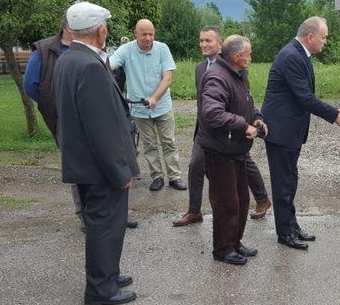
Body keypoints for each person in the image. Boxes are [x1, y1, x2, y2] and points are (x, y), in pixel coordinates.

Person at [52, 1, 139, 305]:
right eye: (106, 27)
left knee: (102, 225)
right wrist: (120, 171)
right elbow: (101, 127)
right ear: (100, 31)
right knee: (106, 226)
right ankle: (101, 289)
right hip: (100, 167)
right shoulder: (88, 65)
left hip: (84, 162)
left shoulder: (68, 58)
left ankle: (107, 274)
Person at [23, 12, 137, 232]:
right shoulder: (47, 50)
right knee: (84, 172)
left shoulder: (80, 54)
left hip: (79, 118)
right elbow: (31, 85)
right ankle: (86, 215)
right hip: (67, 121)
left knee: (93, 175)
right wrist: (57, 106)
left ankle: (103, 216)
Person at [262, 16, 340, 250]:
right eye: (323, 37)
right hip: (281, 132)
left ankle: (291, 226)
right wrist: (335, 115)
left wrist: (334, 111)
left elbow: (303, 96)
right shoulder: (292, 56)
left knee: (290, 181)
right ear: (310, 37)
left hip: (289, 131)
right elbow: (305, 97)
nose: (325, 42)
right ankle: (285, 233)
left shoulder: (300, 53)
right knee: (283, 184)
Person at [173, 27, 271, 227]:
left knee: (245, 164)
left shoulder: (236, 68)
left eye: (208, 41)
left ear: (220, 45)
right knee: (195, 166)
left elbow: (245, 99)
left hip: (232, 133)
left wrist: (253, 120)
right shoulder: (200, 69)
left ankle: (262, 200)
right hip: (207, 131)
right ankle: (194, 211)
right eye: (201, 41)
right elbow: (206, 106)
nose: (203, 44)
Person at [196, 35, 265, 265]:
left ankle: (235, 242)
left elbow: (246, 103)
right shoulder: (217, 77)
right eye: (249, 53)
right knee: (227, 203)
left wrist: (256, 118)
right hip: (219, 151)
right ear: (237, 57)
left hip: (235, 149)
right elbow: (212, 113)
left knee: (242, 200)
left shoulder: (238, 74)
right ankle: (223, 249)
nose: (251, 57)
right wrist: (241, 124)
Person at [110, 19, 187, 192]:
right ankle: (157, 176)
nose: (148, 38)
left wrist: (154, 98)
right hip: (139, 108)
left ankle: (174, 177)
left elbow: (167, 78)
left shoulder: (162, 49)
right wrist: (102, 66)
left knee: (169, 141)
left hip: (162, 106)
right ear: (135, 34)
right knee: (149, 144)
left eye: (151, 34)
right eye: (144, 34)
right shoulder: (125, 50)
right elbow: (111, 63)